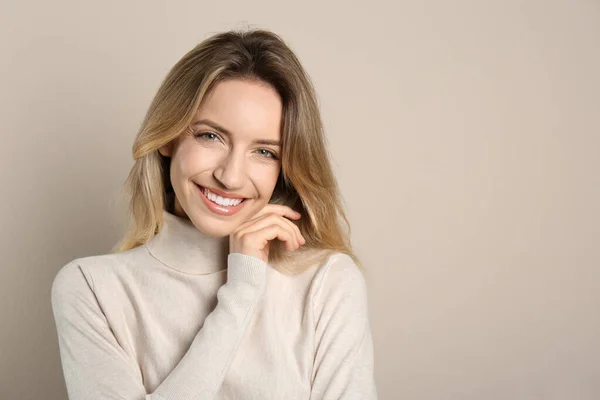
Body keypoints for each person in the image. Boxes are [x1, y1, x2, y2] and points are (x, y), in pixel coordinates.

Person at [51, 28, 377, 399]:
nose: (230, 176)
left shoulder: (326, 283)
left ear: (284, 168)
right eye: (211, 136)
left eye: (265, 152)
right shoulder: (92, 289)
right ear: (170, 137)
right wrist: (242, 291)